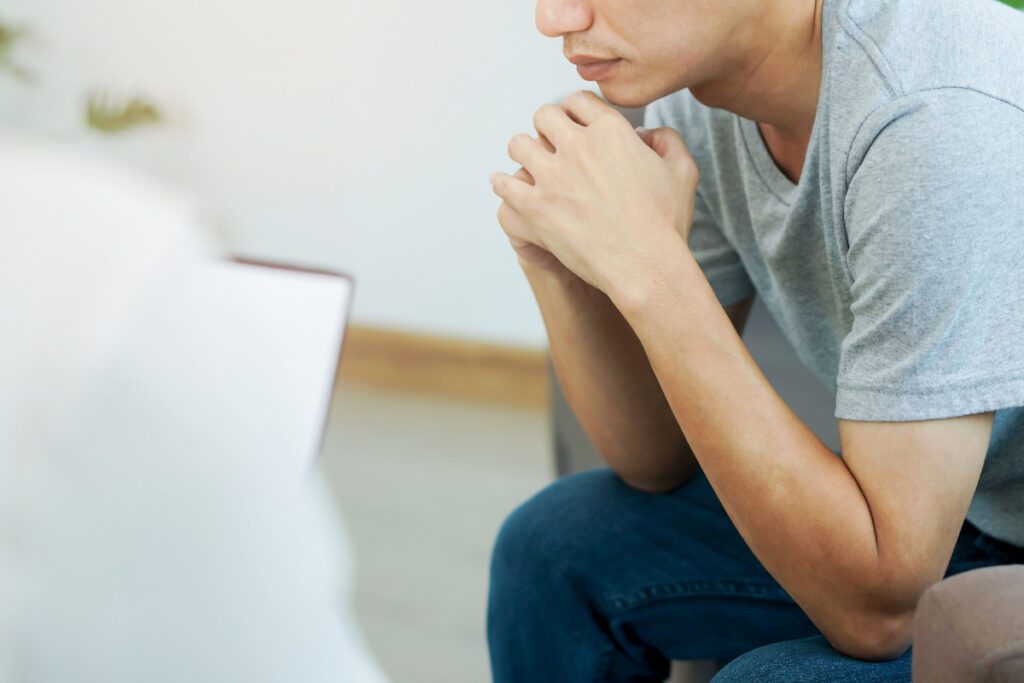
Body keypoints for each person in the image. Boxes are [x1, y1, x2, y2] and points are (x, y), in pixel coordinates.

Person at [485, 0, 1024, 679]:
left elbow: (880, 616)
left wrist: (652, 269)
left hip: (977, 551)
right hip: (966, 518)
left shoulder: (935, 118)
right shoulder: (701, 100)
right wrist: (559, 264)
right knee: (552, 547)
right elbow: (652, 458)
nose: (554, 18)